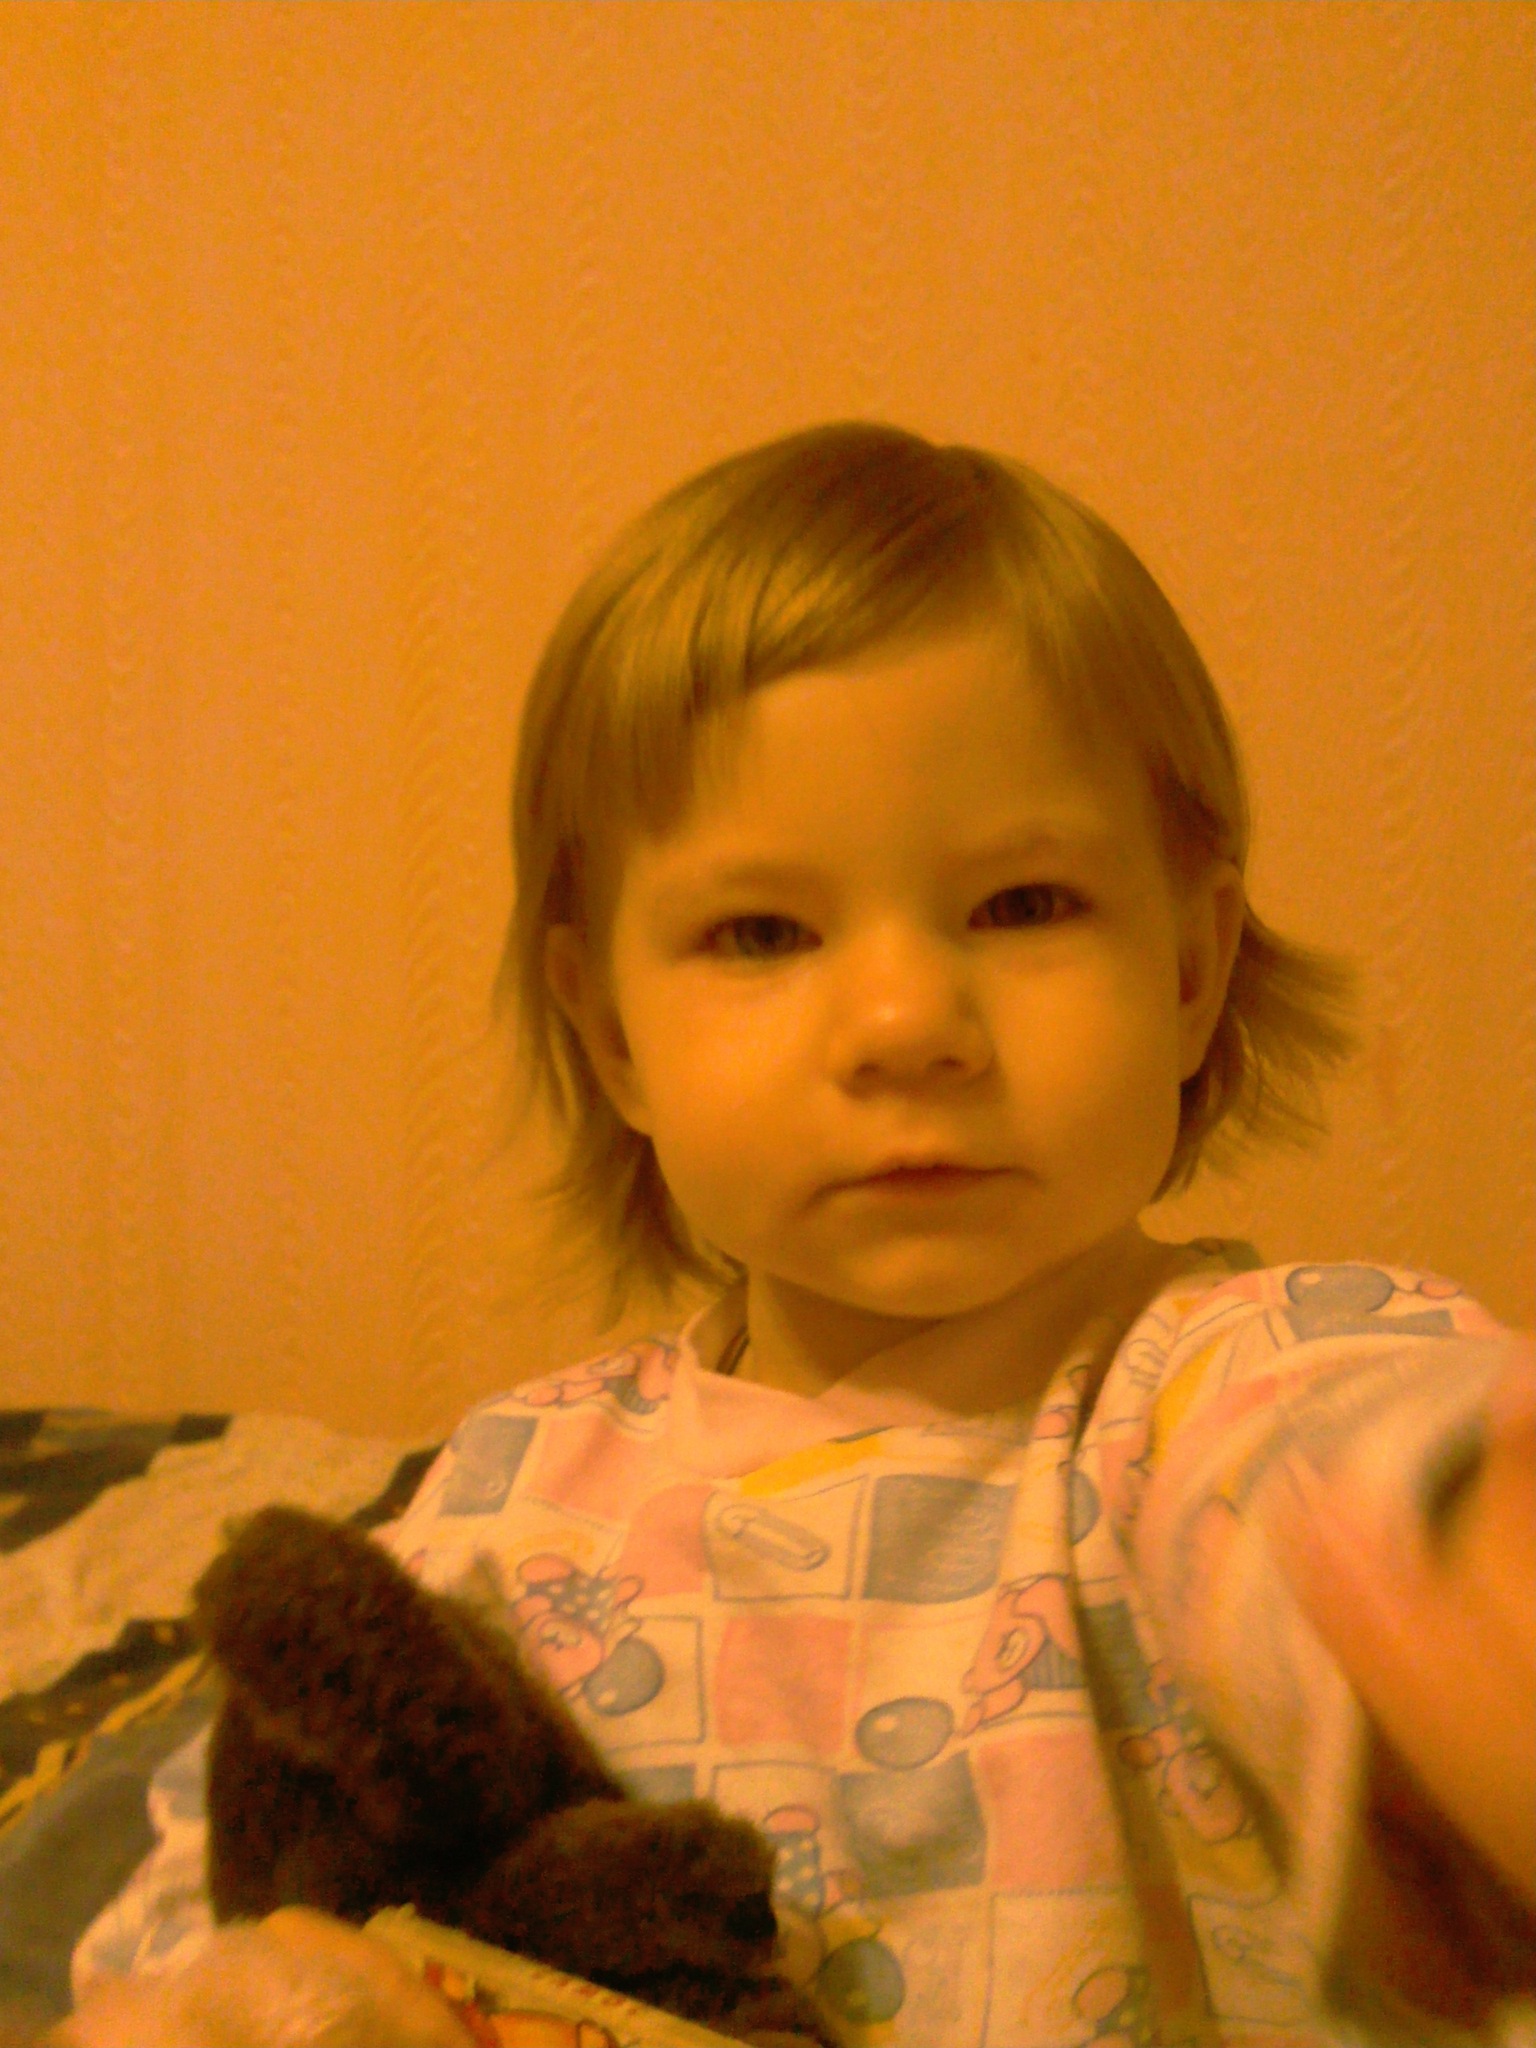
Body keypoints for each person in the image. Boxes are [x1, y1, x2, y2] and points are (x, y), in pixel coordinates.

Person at [55, 424, 1536, 2048]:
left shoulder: (1215, 1392)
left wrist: (1455, 1575)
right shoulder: (509, 1501)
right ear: (612, 1036)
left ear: (1191, 968)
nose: (906, 1023)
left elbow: (1357, 1466)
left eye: (1023, 905)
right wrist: (241, 2000)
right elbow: (244, 1860)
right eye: (761, 931)